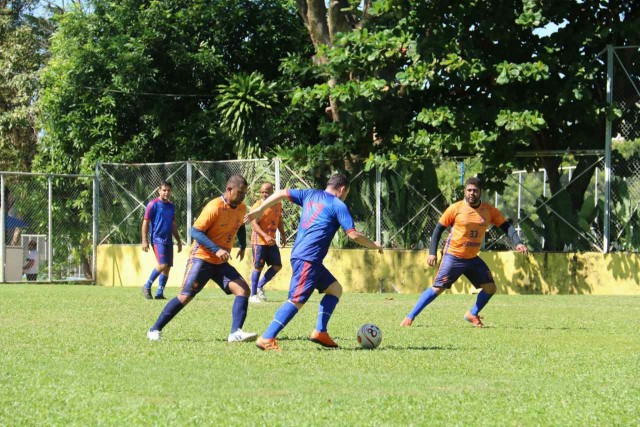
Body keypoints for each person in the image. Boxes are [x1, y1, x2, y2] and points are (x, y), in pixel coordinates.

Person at [244, 174, 382, 351]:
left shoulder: (309, 194)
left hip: (307, 257)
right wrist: (374, 245)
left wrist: (260, 209)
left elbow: (281, 193)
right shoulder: (338, 205)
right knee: (296, 300)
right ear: (342, 190)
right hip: (308, 257)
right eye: (346, 193)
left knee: (335, 290)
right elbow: (353, 234)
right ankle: (267, 337)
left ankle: (320, 332)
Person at [400, 177, 528, 328]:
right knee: (437, 289)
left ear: (480, 192)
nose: (472, 193)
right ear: (465, 191)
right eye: (469, 190)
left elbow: (506, 226)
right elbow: (438, 230)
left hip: (472, 258)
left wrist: (518, 242)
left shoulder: (488, 210)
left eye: (475, 190)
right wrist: (432, 252)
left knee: (490, 288)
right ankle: (410, 317)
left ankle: (472, 314)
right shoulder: (456, 208)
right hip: (453, 256)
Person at [147, 175, 257, 343]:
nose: (243, 196)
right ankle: (154, 329)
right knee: (185, 297)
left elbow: (240, 225)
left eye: (245, 193)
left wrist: (242, 245)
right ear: (229, 190)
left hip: (219, 262)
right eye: (240, 192)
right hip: (201, 258)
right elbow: (195, 231)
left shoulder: (241, 208)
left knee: (243, 290)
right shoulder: (214, 206)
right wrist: (216, 249)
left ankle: (235, 333)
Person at [141, 180, 182, 300]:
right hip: (157, 240)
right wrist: (144, 240)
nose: (166, 192)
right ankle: (147, 285)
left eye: (168, 190)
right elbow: (145, 222)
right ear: (159, 191)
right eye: (164, 190)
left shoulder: (171, 206)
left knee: (167, 266)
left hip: (168, 240)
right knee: (162, 264)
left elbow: (173, 224)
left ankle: (159, 293)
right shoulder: (152, 204)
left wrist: (178, 240)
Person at [249, 182, 286, 303]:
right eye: (262, 192)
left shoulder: (277, 204)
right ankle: (253, 295)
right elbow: (254, 224)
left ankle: (260, 285)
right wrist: (265, 236)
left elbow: (279, 220)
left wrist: (283, 235)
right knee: (258, 267)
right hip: (259, 241)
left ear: (272, 192)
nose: (264, 194)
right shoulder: (258, 206)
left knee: (277, 266)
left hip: (270, 241)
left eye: (267, 192)